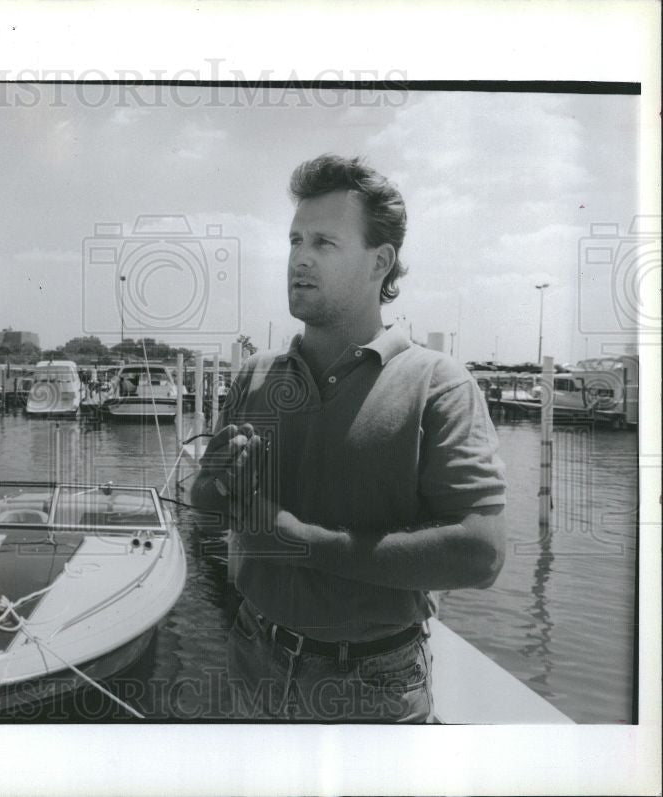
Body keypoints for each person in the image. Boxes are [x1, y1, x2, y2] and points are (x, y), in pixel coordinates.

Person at [191, 154, 507, 722]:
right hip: (251, 653)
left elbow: (481, 554)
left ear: (379, 262)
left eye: (324, 243)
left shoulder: (438, 384)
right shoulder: (255, 375)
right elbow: (211, 513)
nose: (299, 259)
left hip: (370, 686)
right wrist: (211, 482)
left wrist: (300, 539)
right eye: (294, 241)